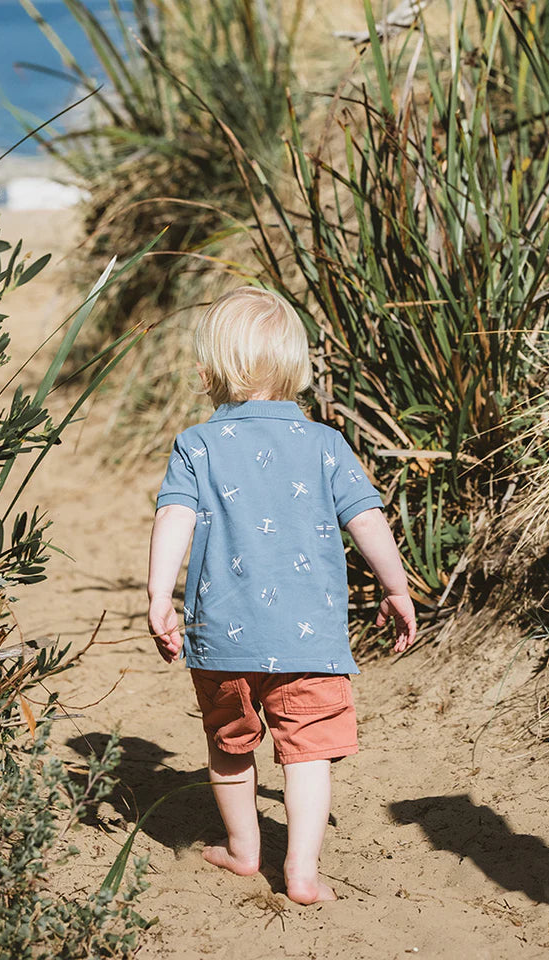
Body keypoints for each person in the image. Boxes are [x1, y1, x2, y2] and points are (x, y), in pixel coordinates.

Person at [147, 287, 417, 905]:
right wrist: (396, 586)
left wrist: (160, 594)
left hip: (223, 636)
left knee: (228, 744)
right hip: (310, 638)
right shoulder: (324, 443)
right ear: (295, 364)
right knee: (309, 752)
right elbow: (367, 519)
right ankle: (300, 869)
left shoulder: (198, 444)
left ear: (210, 369)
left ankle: (245, 850)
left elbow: (174, 517)